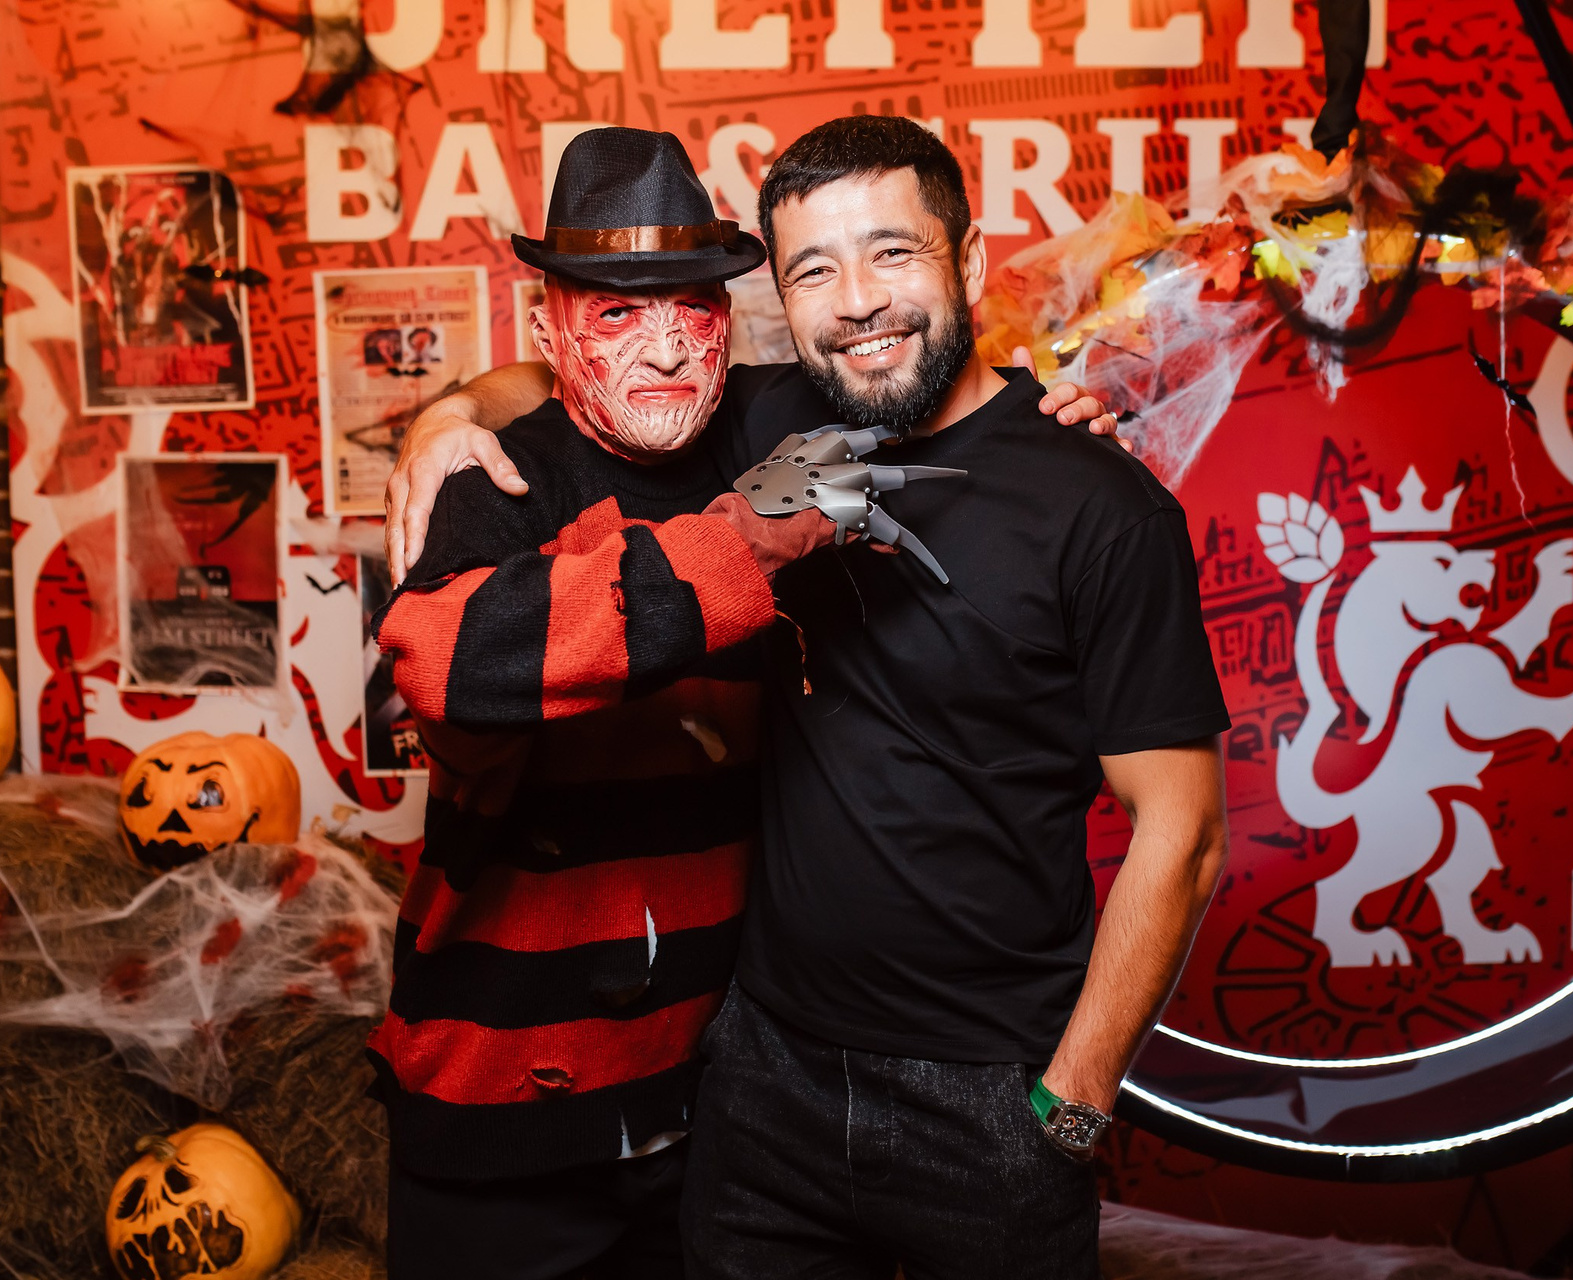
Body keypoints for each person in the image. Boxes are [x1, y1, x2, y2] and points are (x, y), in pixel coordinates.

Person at [389, 115, 1230, 1279]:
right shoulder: (727, 437)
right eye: (815, 270)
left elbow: (1184, 830)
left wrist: (1072, 1102)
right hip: (716, 1085)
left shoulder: (1085, 499)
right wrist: (446, 416)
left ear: (967, 260)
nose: (859, 301)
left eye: (892, 252)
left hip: (937, 1092)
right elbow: (462, 625)